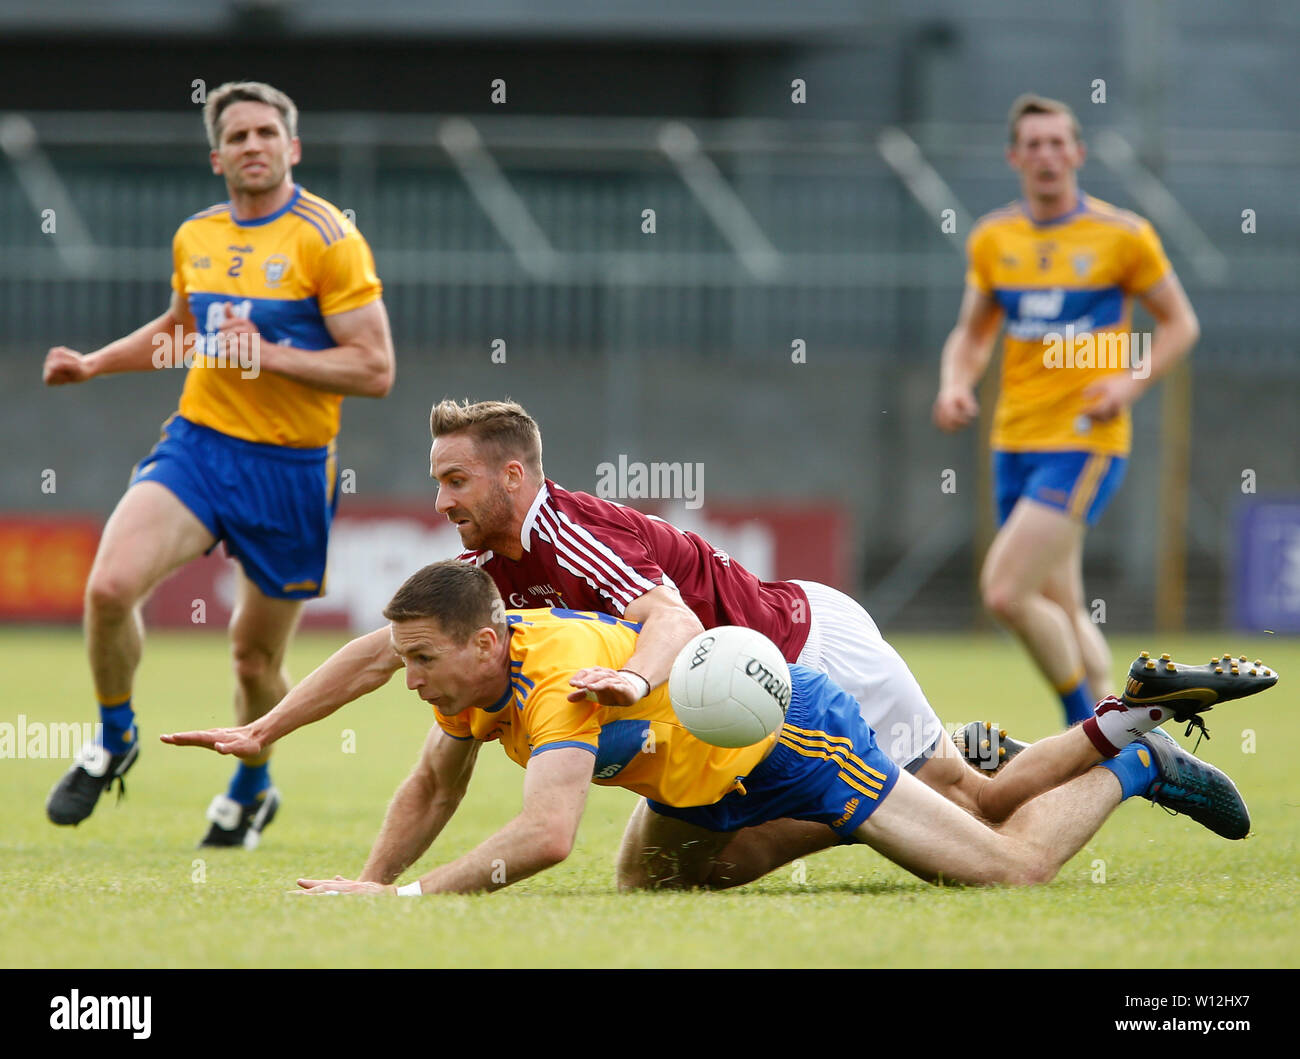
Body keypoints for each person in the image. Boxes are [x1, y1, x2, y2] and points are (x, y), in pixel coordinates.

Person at [157, 398, 1261, 875]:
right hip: (758, 694)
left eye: (453, 479)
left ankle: (1139, 746)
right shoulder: (490, 572)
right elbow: (387, 647)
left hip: (808, 655)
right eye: (434, 478)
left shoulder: (566, 540)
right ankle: (1049, 745)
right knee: (873, 818)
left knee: (976, 817)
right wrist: (273, 727)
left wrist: (629, 683)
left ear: (512, 473)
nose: (438, 497)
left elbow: (672, 619)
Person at [161, 562, 1261, 896]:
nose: (411, 682)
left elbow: (544, 838)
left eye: (422, 661)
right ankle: (910, 795)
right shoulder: (473, 674)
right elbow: (433, 788)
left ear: (488, 642)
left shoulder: (549, 691)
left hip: (797, 745)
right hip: (694, 784)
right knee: (654, 889)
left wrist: (399, 903)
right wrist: (365, 873)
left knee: (1005, 868)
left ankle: (1134, 748)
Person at [42, 81, 395, 847]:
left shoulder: (329, 238)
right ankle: (114, 734)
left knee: (253, 660)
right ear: (217, 157)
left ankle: (250, 786)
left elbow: (373, 369)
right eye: (237, 136)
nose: (253, 145)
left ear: (292, 147)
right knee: (107, 586)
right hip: (200, 445)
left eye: (267, 132)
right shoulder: (196, 236)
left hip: (290, 470)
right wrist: (94, 364)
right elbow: (178, 329)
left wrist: (265, 350)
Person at [933, 94, 1200, 727]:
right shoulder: (995, 238)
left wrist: (1129, 385)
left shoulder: (1123, 236)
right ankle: (1127, 723)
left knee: (1005, 591)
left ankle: (1087, 729)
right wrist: (954, 382)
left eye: (1059, 143)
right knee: (1063, 604)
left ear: (1079, 153)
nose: (1047, 155)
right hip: (1013, 440)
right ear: (1014, 157)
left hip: (1084, 440)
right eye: (1034, 144)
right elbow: (972, 333)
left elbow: (1180, 323)